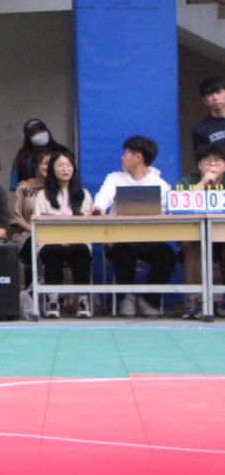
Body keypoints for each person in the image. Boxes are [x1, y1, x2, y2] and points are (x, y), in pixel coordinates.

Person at [92, 134, 174, 317]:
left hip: (149, 241)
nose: (122, 158)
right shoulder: (114, 178)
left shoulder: (160, 184)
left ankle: (150, 299)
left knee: (167, 255)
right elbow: (102, 199)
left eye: (125, 154)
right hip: (120, 239)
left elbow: (167, 212)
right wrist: (99, 208)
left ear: (137, 157)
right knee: (124, 252)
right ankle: (126, 298)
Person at [33, 149, 94, 318]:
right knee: (52, 252)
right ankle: (53, 300)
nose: (65, 169)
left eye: (68, 165)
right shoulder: (43, 195)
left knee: (81, 252)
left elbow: (88, 225)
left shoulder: (84, 194)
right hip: (50, 242)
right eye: (60, 165)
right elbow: (38, 223)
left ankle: (82, 300)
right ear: (52, 169)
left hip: (77, 241)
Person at [176, 143, 225, 319]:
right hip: (197, 236)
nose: (212, 165)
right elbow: (179, 204)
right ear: (199, 165)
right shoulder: (187, 182)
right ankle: (193, 300)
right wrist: (203, 183)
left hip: (222, 237)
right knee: (192, 245)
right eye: (207, 161)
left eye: (217, 161)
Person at [8, 147, 51, 299]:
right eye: (44, 163)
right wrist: (33, 230)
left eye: (51, 163)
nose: (47, 167)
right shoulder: (23, 187)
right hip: (27, 234)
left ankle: (54, 297)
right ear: (35, 165)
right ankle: (31, 294)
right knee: (32, 247)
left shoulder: (59, 188)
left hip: (54, 237)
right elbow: (16, 217)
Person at [9, 119, 61, 188]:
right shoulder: (22, 157)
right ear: (28, 138)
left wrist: (35, 183)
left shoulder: (60, 152)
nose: (39, 135)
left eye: (41, 131)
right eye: (34, 133)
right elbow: (14, 185)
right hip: (30, 193)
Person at [191, 76, 225, 151]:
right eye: (209, 94)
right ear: (204, 100)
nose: (215, 98)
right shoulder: (201, 130)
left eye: (218, 92)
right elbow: (202, 157)